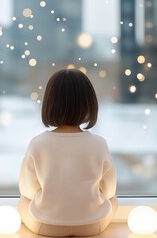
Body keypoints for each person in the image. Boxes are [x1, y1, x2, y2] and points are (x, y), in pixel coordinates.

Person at [19, 69, 117, 237]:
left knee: (23, 201)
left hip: (45, 226)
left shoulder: (38, 143)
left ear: (49, 104)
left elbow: (28, 190)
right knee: (113, 201)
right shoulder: (99, 144)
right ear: (89, 104)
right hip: (93, 225)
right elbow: (108, 191)